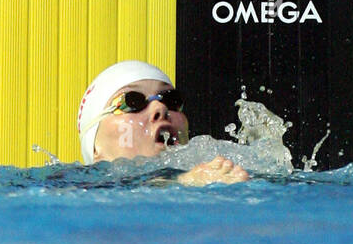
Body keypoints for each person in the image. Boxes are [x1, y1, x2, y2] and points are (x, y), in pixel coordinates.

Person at [77, 60, 250, 186]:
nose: (160, 107)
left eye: (171, 100)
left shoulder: (225, 171)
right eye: (132, 102)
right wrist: (182, 182)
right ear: (95, 148)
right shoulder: (71, 185)